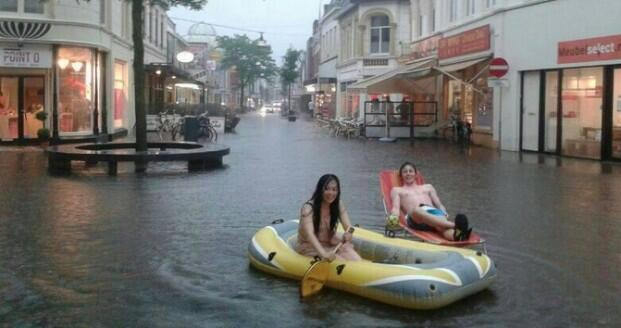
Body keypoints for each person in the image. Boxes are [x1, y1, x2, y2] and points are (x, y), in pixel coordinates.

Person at [388, 162, 471, 241]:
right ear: (401, 176)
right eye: (405, 172)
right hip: (416, 219)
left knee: (441, 226)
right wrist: (393, 220)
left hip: (433, 216)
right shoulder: (397, 190)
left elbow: (439, 205)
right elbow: (396, 208)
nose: (408, 173)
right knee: (418, 209)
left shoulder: (428, 187)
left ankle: (459, 235)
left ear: (416, 174)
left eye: (411, 171)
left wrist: (444, 213)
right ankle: (454, 225)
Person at [296, 174, 362, 261]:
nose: (331, 193)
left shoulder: (338, 204)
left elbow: (349, 227)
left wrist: (349, 233)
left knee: (355, 259)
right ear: (320, 190)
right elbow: (310, 235)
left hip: (330, 243)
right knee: (340, 261)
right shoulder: (308, 208)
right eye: (327, 189)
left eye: (334, 189)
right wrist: (324, 254)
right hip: (310, 247)